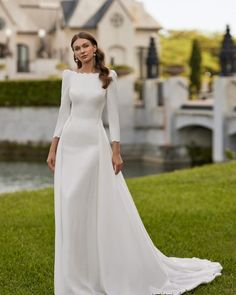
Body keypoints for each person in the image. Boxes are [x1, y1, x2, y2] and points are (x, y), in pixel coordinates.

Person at [47, 31, 222, 295]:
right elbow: (63, 113)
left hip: (95, 145)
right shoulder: (68, 77)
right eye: (76, 48)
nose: (81, 51)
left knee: (94, 206)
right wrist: (54, 147)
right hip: (70, 145)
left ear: (95, 48)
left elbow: (114, 117)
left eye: (85, 46)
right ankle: (74, 275)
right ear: (74, 53)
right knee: (70, 206)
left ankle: (99, 270)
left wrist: (116, 151)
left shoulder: (109, 77)